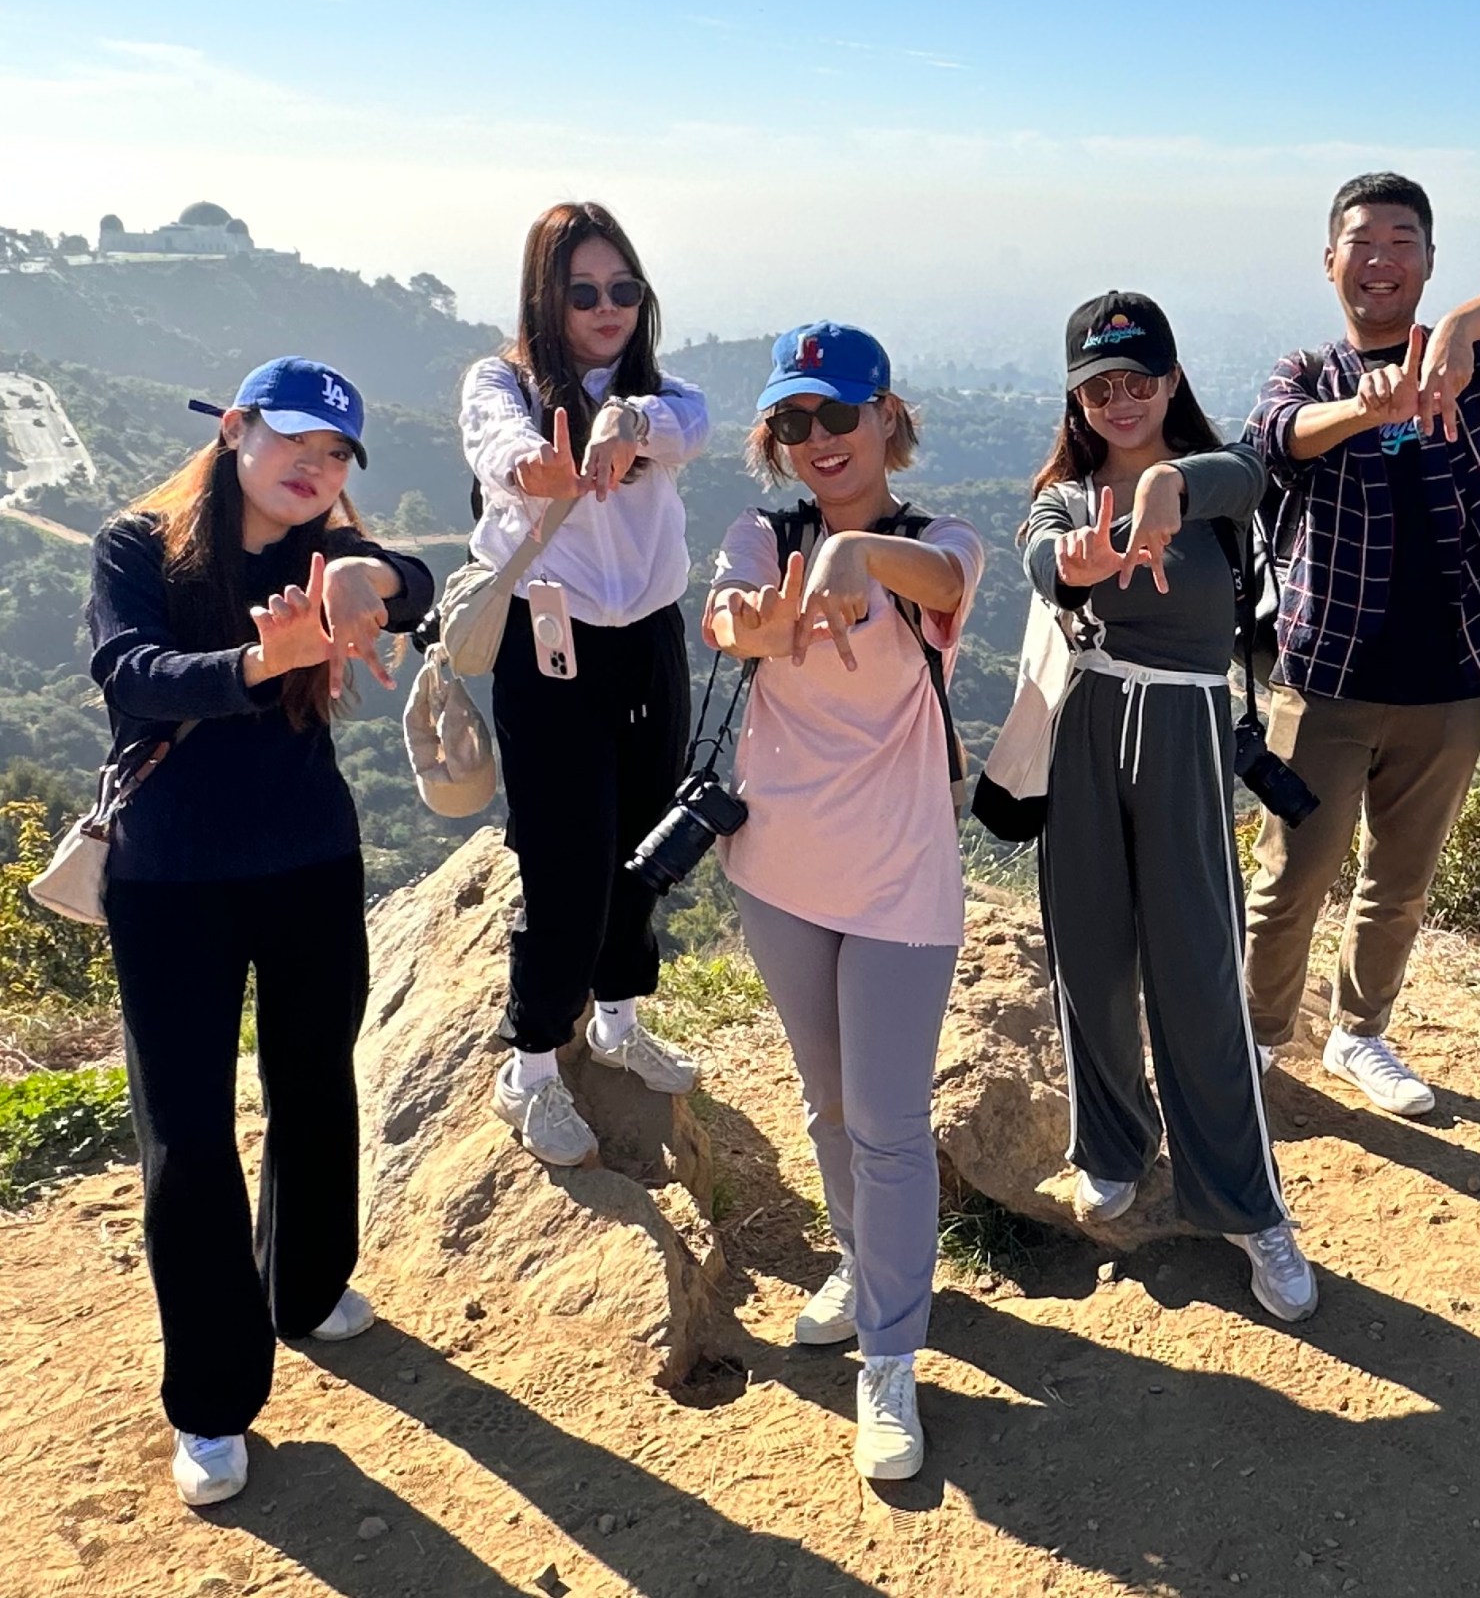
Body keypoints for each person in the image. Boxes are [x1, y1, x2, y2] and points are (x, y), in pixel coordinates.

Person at [87, 359, 433, 1506]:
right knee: (187, 1139)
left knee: (315, 1082)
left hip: (306, 858)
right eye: (297, 443)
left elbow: (423, 587)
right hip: (171, 876)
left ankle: (306, 1287)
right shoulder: (140, 544)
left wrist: (370, 570)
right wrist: (257, 663)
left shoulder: (322, 551)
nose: (315, 469)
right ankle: (213, 1402)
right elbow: (131, 674)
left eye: (336, 456)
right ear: (234, 430)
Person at [704, 322, 983, 1481]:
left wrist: (857, 560)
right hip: (778, 871)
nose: (821, 440)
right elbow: (730, 622)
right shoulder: (757, 537)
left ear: (886, 420)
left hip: (899, 882)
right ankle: (865, 1267)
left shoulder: (931, 541)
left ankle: (890, 1357)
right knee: (827, 1107)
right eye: (796, 422)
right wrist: (763, 616)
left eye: (841, 415)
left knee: (886, 1120)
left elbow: (952, 582)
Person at [1242, 173, 1480, 1117]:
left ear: (1429, 261)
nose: (1380, 259)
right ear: (1330, 260)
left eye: (1402, 240)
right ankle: (1260, 1039)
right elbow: (1274, 438)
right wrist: (1369, 409)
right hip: (1325, 673)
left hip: (1452, 670)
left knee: (1400, 878)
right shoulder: (1309, 371)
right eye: (1361, 240)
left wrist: (1464, 330)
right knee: (1289, 878)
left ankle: (1359, 1035)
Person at [1025, 291, 1318, 1323]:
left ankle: (1247, 1204)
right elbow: (1043, 552)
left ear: (1172, 379)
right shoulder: (1065, 496)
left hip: (1188, 738)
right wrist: (1079, 560)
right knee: (1091, 956)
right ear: (1076, 396)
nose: (1121, 400)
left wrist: (1161, 495)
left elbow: (1247, 472)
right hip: (1087, 731)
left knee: (1198, 970)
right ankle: (1109, 1143)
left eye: (1140, 380)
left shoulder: (1221, 479)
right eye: (1099, 386)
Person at [460, 202, 710, 1166]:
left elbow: (682, 427)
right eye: (583, 291)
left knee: (643, 838)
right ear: (545, 296)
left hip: (647, 640)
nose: (607, 307)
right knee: (566, 853)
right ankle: (529, 1063)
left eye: (623, 289)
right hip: (546, 639)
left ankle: (616, 1015)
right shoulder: (505, 382)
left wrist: (623, 422)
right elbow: (494, 441)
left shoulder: (664, 398)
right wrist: (537, 461)